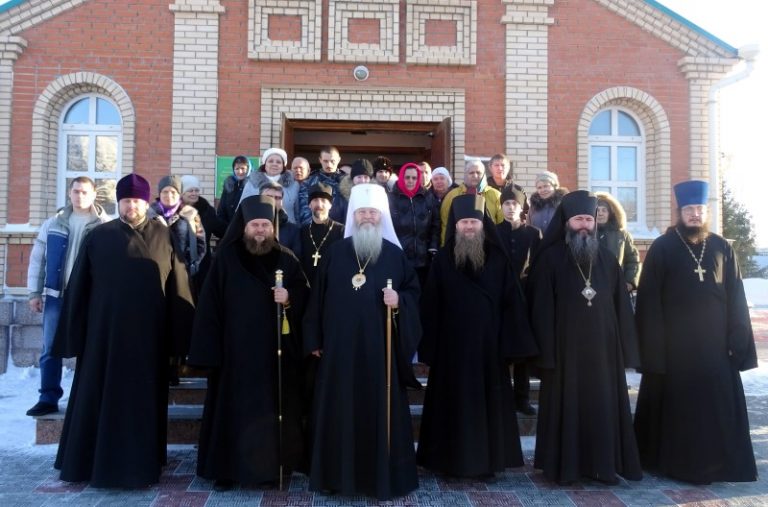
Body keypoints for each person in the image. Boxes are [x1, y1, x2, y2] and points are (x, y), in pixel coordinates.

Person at [51, 173, 195, 488]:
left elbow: (178, 286)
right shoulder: (99, 236)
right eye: (126, 201)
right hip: (104, 337)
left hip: (149, 339)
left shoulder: (164, 235)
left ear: (146, 202)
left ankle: (141, 465)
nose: (132, 206)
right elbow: (79, 288)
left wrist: (181, 339)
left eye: (137, 201)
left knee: (142, 402)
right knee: (97, 398)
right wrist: (75, 334)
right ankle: (91, 462)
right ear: (119, 203)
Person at [633, 180, 757, 484]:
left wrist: (738, 339)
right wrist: (653, 350)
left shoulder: (722, 247)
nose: (695, 214)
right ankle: (677, 465)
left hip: (716, 348)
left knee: (716, 409)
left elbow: (736, 296)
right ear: (679, 212)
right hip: (675, 350)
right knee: (680, 411)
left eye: (700, 209)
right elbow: (649, 302)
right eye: (689, 209)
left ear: (707, 211)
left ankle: (719, 466)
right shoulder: (662, 247)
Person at [303, 183, 421, 500]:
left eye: (373, 212)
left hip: (379, 352)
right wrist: (314, 338)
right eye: (362, 212)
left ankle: (380, 478)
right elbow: (317, 298)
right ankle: (336, 477)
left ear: (382, 216)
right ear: (353, 217)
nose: (367, 217)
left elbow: (414, 294)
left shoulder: (395, 255)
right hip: (338, 350)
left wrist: (400, 301)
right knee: (338, 410)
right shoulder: (334, 253)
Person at [187, 195, 309, 491]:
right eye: (255, 225)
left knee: (269, 414)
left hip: (272, 355)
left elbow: (305, 293)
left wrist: (289, 297)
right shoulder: (226, 258)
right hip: (234, 353)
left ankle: (268, 470)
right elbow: (209, 305)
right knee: (230, 412)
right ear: (244, 226)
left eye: (265, 225)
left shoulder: (286, 258)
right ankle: (226, 471)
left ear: (273, 227)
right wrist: (209, 351)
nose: (260, 231)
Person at [417, 194, 537, 478]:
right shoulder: (443, 259)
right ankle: (448, 462)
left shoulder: (498, 258)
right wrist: (430, 348)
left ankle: (487, 463)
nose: (469, 227)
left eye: (473, 222)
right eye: (464, 223)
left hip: (488, 349)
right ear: (455, 226)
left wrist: (509, 346)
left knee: (487, 406)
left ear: (483, 224)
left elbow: (512, 303)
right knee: (451, 405)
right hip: (451, 350)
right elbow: (431, 305)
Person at [527, 190, 641, 485]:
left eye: (588, 220)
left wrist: (627, 350)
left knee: (602, 407)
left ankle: (603, 466)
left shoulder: (607, 259)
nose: (584, 225)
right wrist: (545, 355)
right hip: (564, 352)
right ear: (567, 221)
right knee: (567, 408)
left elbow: (621, 308)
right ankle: (565, 468)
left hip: (604, 352)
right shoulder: (549, 259)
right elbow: (540, 310)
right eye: (578, 219)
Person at [25, 177, 110, 417]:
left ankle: (88, 401)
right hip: (56, 297)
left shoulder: (104, 226)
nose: (80, 196)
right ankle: (48, 398)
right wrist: (34, 292)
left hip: (89, 298)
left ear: (94, 195)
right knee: (50, 348)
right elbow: (38, 259)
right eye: (76, 191)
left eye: (84, 192)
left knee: (90, 349)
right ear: (69, 193)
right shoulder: (53, 223)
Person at [495, 186, 542, 415]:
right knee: (500, 350)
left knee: (522, 351)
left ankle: (522, 399)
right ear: (501, 206)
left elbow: (538, 266)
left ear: (522, 206)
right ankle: (502, 398)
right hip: (500, 299)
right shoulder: (493, 232)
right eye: (507, 203)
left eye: (514, 203)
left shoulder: (533, 234)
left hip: (525, 299)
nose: (510, 207)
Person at [388, 162, 440, 287]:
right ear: (401, 177)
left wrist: (433, 246)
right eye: (407, 177)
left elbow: (435, 223)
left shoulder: (427, 197)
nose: (410, 181)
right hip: (400, 258)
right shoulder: (391, 198)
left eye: (414, 178)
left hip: (423, 259)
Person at [440, 160, 503, 245]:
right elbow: (445, 225)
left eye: (478, 173)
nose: (475, 176)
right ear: (465, 175)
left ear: (484, 175)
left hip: (489, 246)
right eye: (471, 173)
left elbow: (501, 225)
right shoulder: (452, 196)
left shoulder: (496, 196)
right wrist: (445, 247)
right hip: (458, 246)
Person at [180, 175, 228, 288]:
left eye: (196, 190)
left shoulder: (207, 210)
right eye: (190, 190)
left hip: (202, 264)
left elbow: (221, 229)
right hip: (179, 263)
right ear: (182, 193)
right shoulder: (173, 211)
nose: (194, 193)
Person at [240, 148, 300, 224]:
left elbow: (298, 213)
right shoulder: (251, 184)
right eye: (270, 161)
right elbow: (242, 209)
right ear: (265, 164)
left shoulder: (294, 185)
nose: (274, 164)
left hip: (288, 227)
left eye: (278, 162)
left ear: (283, 166)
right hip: (259, 228)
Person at [595, 192, 641, 291]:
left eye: (604, 210)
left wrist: (630, 282)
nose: (600, 213)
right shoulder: (585, 233)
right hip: (591, 288)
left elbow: (632, 260)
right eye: (597, 210)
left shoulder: (622, 235)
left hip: (616, 287)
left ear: (610, 213)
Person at [299, 183, 344, 285]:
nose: (319, 205)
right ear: (309, 205)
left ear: (330, 205)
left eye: (323, 200)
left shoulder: (341, 230)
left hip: (331, 285)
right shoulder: (302, 231)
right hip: (307, 286)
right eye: (315, 200)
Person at [298, 146, 346, 225]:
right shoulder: (309, 182)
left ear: (338, 160)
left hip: (342, 228)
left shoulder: (347, 182)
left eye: (332, 161)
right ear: (320, 160)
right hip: (315, 227)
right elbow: (304, 210)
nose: (329, 165)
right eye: (325, 161)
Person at [259, 181, 302, 257]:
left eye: (277, 198)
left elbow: (296, 259)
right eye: (268, 197)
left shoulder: (293, 230)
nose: (273, 201)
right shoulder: (248, 226)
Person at [486, 153, 530, 220]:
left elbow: (527, 212)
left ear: (508, 168)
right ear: (490, 168)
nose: (500, 168)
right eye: (496, 165)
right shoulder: (483, 189)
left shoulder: (517, 190)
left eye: (503, 165)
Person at [217, 155, 252, 225]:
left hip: (247, 226)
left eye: (243, 168)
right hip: (229, 226)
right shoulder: (229, 184)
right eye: (237, 168)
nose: (240, 171)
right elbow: (222, 208)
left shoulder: (253, 185)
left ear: (248, 169)